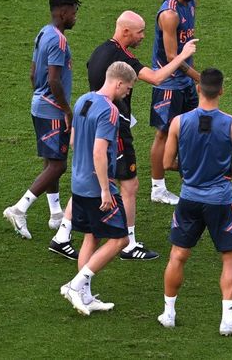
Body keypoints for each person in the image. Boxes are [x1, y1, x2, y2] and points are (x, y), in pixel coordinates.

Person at [73, 11, 198, 261]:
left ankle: (64, 233)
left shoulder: (99, 51)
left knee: (90, 181)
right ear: (126, 31)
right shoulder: (123, 58)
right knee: (129, 185)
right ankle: (128, 244)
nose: (143, 36)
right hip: (114, 128)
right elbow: (156, 77)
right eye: (140, 31)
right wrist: (183, 56)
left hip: (95, 124)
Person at [158, 68, 232, 336]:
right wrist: (223, 173)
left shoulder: (178, 122)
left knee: (178, 255)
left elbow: (166, 163)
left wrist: (188, 170)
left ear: (199, 89)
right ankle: (227, 320)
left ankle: (168, 313)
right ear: (221, 90)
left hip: (188, 197)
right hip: (220, 200)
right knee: (230, 258)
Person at [60, 61, 137, 315]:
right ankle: (75, 285)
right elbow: (99, 151)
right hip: (96, 188)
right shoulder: (110, 111)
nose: (128, 92)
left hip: (78, 182)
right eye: (127, 88)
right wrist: (105, 189)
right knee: (121, 239)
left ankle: (86, 295)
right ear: (118, 82)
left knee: (91, 236)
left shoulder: (83, 100)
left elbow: (73, 140)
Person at [4, 0, 81, 246]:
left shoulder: (43, 32)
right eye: (72, 12)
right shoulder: (58, 40)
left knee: (51, 162)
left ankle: (56, 213)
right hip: (52, 110)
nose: (74, 16)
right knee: (58, 166)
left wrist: (40, 96)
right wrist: (66, 110)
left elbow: (32, 73)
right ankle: (19, 209)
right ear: (62, 13)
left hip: (39, 104)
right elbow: (54, 79)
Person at [149, 0, 202, 205]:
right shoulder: (169, 14)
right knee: (163, 134)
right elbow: (172, 57)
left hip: (184, 80)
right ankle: (157, 188)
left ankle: (196, 179)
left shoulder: (191, 2)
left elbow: (187, 45)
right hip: (168, 83)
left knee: (191, 129)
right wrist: (198, 77)